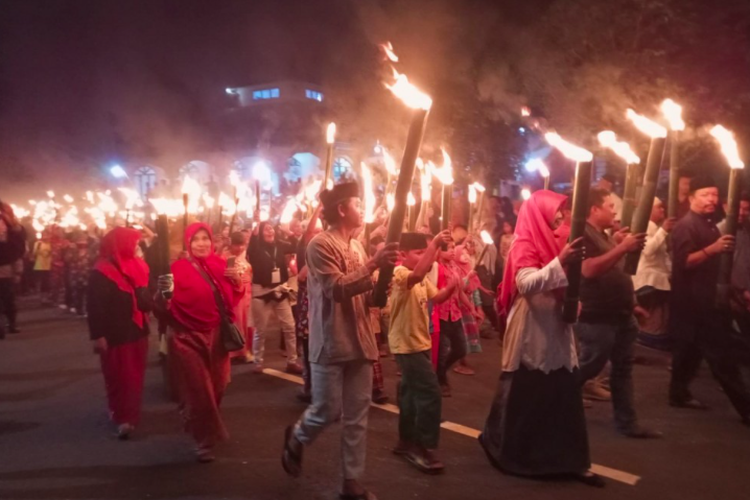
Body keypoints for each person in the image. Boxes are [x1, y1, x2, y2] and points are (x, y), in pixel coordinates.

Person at [282, 182, 398, 500]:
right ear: (342, 209)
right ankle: (297, 436)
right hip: (332, 340)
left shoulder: (357, 247)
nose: (363, 208)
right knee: (326, 410)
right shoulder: (319, 245)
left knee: (358, 415)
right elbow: (336, 289)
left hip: (360, 338)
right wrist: (374, 264)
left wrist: (381, 282)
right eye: (358, 203)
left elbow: (367, 294)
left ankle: (351, 482)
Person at [478, 190, 601, 486]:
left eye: (561, 215)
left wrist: (572, 298)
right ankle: (516, 455)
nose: (560, 220)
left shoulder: (553, 241)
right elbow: (527, 282)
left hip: (555, 324)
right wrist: (560, 261)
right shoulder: (524, 243)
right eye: (555, 215)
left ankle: (572, 461)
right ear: (540, 215)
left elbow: (563, 280)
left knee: (564, 392)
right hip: (533, 325)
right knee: (527, 390)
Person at [575, 187, 661, 438]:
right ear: (594, 209)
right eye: (610, 206)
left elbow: (614, 271)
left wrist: (632, 303)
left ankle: (627, 423)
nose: (615, 210)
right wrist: (622, 248)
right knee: (588, 367)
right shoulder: (581, 233)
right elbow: (589, 270)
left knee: (623, 369)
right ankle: (552, 406)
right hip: (597, 316)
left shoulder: (603, 235)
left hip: (621, 314)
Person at [158, 222, 244, 462]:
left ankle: (198, 419)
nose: (202, 243)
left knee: (217, 385)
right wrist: (163, 297)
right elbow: (162, 305)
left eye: (205, 238)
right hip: (187, 336)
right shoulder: (176, 268)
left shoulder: (221, 264)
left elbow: (230, 299)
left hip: (217, 334)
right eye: (196, 239)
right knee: (200, 389)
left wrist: (236, 281)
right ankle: (204, 440)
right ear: (188, 243)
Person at [668, 177, 750, 425]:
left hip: (706, 300)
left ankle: (678, 394)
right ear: (692, 198)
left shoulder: (709, 224)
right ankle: (747, 409)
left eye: (715, 195)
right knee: (722, 358)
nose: (712, 200)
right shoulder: (686, 226)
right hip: (695, 303)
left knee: (688, 353)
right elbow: (683, 262)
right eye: (705, 194)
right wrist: (712, 249)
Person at [389, 231, 455, 474]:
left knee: (409, 394)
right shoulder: (400, 273)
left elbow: (437, 297)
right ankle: (423, 446)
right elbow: (417, 274)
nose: (423, 257)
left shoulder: (422, 279)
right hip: (406, 345)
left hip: (420, 343)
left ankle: (406, 441)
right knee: (430, 392)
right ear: (402, 255)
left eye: (424, 252)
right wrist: (436, 243)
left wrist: (455, 285)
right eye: (419, 252)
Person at [87, 227, 151, 439]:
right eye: (132, 242)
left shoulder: (138, 265)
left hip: (138, 330)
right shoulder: (102, 271)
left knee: (134, 376)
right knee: (119, 376)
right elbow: (95, 306)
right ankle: (122, 415)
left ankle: (129, 414)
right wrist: (98, 335)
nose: (136, 246)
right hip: (116, 334)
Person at [247, 221, 302, 374]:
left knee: (290, 326)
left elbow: (296, 245)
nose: (270, 230)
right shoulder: (256, 248)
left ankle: (292, 361)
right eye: (266, 228)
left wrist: (290, 232)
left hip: (280, 290)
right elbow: (251, 246)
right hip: (261, 291)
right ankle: (258, 361)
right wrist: (255, 230)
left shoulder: (280, 245)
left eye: (272, 228)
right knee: (261, 330)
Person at [632, 198, 676, 350]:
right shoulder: (643, 225)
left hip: (659, 278)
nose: (662, 211)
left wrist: (671, 272)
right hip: (648, 279)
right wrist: (663, 230)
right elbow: (649, 250)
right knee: (653, 317)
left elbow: (663, 256)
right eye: (659, 208)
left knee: (660, 316)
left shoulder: (654, 227)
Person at [433, 241, 473, 397]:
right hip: (440, 313)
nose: (451, 251)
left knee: (460, 348)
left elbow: (460, 290)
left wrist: (470, 307)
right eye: (447, 248)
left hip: (454, 313)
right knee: (442, 352)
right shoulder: (436, 267)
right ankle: (441, 381)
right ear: (439, 251)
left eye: (451, 248)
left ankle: (440, 371)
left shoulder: (455, 267)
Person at [224, 232, 253, 364]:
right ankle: (235, 351)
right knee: (237, 320)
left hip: (247, 291)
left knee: (248, 321)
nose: (240, 248)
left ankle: (245, 349)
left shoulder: (243, 256)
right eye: (237, 245)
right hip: (234, 292)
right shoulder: (225, 257)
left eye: (242, 245)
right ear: (231, 244)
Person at [0, 209, 25, 338]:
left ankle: (11, 323)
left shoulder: (11, 229)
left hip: (6, 272)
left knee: (9, 300)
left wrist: (17, 272)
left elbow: (16, 253)